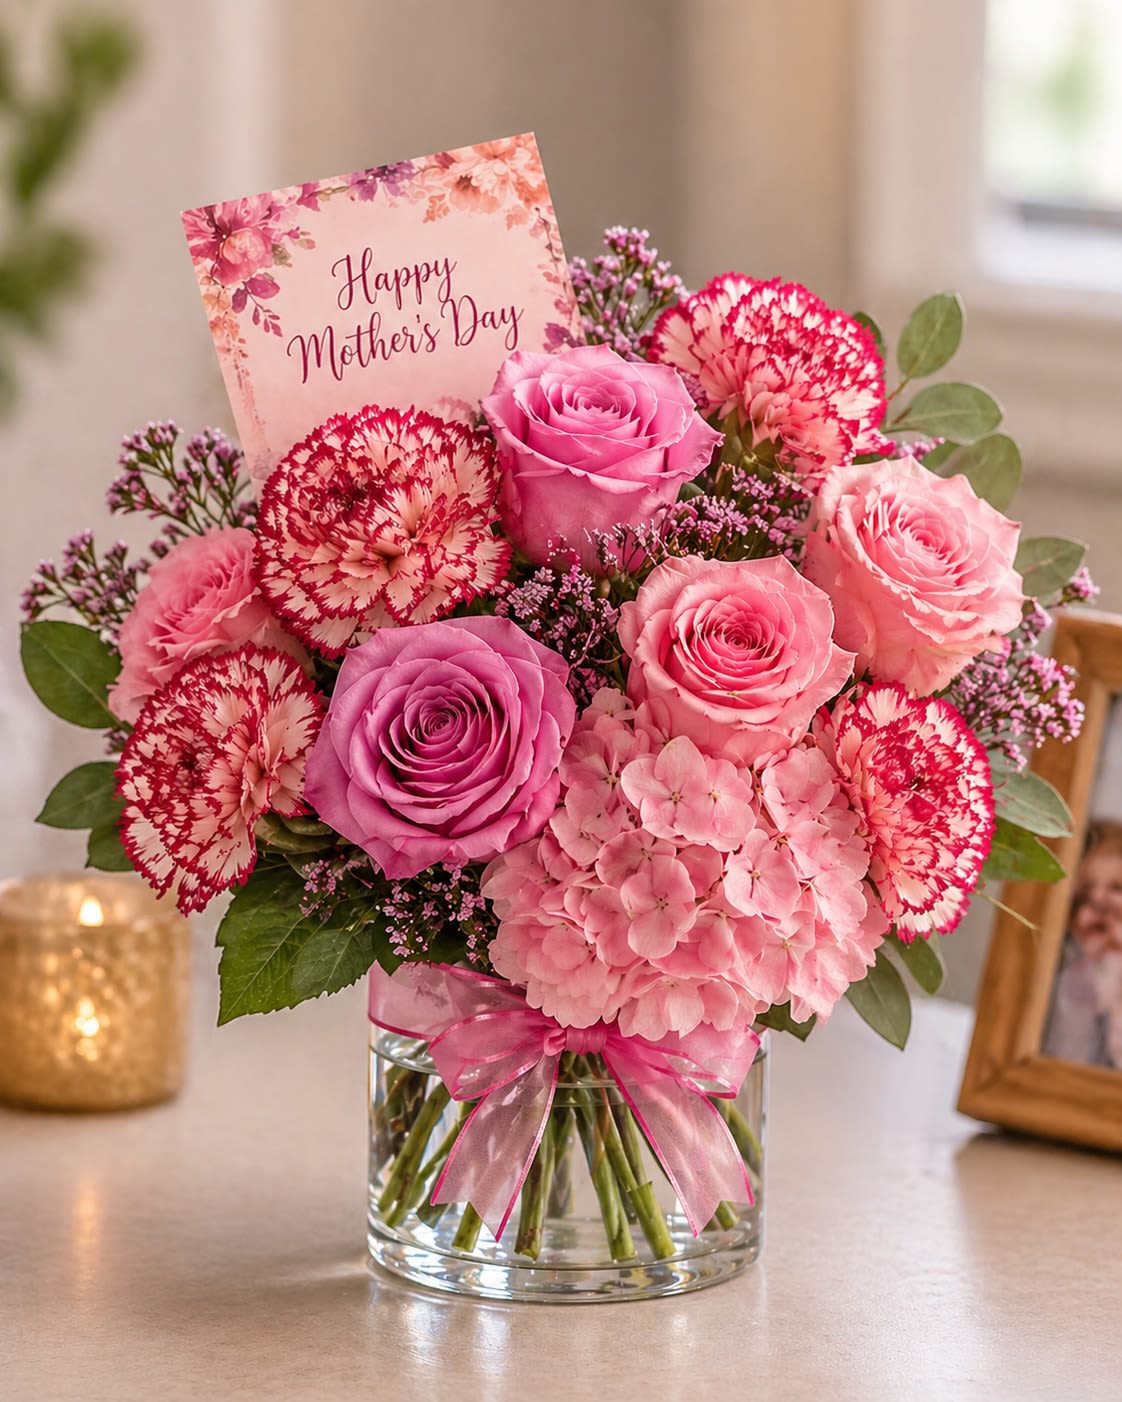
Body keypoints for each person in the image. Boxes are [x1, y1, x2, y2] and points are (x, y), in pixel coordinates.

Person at [1042, 819, 1122, 1069]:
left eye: (1117, 888)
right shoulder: (1062, 974)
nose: (1099, 900)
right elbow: (1066, 1055)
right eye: (1085, 892)